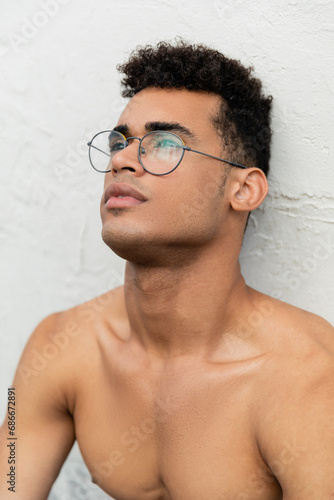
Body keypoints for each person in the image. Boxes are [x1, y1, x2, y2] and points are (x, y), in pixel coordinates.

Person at [1, 40, 333, 500]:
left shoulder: (310, 376)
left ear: (243, 190)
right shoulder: (60, 346)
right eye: (120, 141)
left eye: (165, 144)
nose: (121, 159)